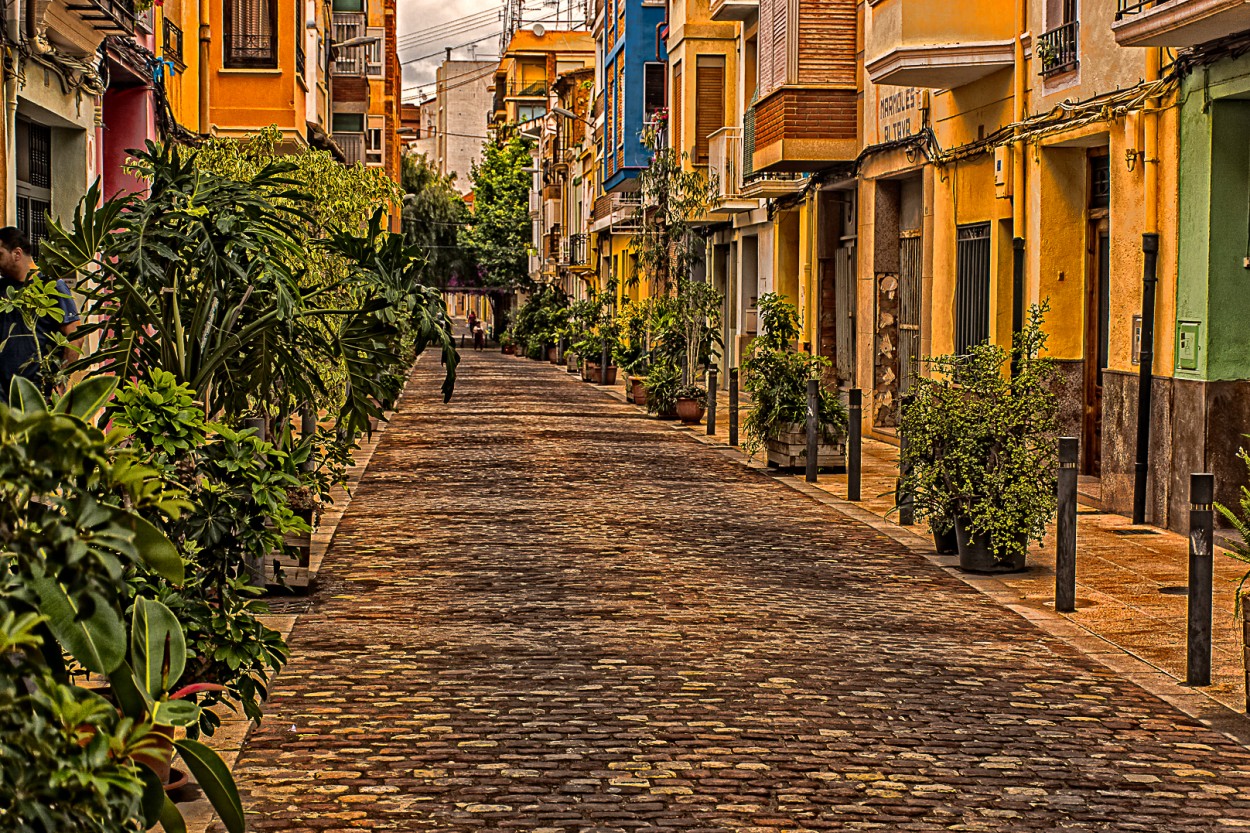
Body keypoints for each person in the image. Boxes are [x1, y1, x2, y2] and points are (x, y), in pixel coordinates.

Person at [0, 228, 80, 397]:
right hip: (4, 394)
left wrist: (61, 377)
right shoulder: (2, 288)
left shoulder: (51, 285)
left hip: (38, 392)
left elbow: (75, 335)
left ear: (16, 253)